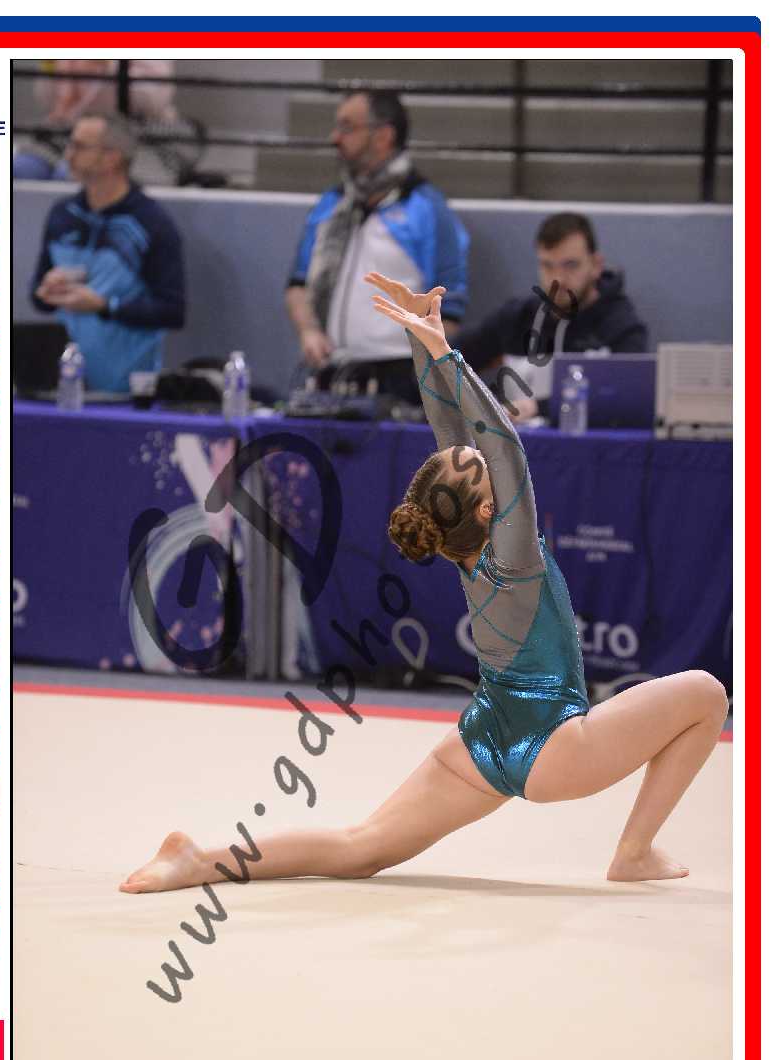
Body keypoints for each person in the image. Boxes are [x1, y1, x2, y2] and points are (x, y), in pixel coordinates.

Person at [119, 272, 727, 895]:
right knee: (707, 695)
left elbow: (451, 432)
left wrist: (422, 337)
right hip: (555, 743)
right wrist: (446, 354)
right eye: (475, 467)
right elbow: (505, 448)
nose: (473, 452)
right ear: (489, 508)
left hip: (485, 735)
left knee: (361, 848)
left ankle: (199, 860)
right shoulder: (515, 555)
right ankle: (634, 850)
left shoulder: (466, 543)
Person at [285, 89, 469, 406]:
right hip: (331, 372)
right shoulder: (332, 205)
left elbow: (450, 304)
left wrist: (424, 374)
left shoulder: (426, 208)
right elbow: (298, 283)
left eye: (347, 127)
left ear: (383, 136)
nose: (334, 138)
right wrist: (308, 331)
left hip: (399, 378)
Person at [30, 112, 186, 393]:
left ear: (112, 158)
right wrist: (48, 290)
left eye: (79, 146)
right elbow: (38, 299)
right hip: (65, 384)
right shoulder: (62, 214)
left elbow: (172, 311)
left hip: (127, 386)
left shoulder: (151, 224)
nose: (68, 155)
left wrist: (104, 305)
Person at [455, 211, 648, 421]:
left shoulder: (621, 326)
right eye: (547, 265)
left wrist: (539, 407)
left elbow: (629, 398)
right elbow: (449, 361)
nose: (558, 279)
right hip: (516, 440)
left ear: (596, 265)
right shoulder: (516, 318)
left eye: (571, 265)